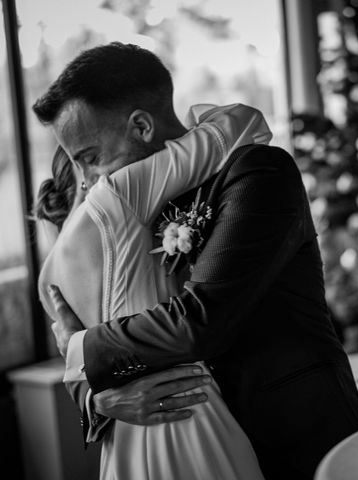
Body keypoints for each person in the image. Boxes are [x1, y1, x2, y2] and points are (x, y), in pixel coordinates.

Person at [37, 42, 358, 480]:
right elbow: (120, 320)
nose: (91, 182)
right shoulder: (131, 215)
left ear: (140, 126)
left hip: (295, 436)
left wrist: (82, 346)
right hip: (196, 451)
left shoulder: (258, 172)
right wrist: (97, 401)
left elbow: (202, 319)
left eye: (91, 159)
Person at [37, 101, 271, 479]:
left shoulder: (46, 276)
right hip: (189, 408)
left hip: (124, 439)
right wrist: (186, 126)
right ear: (86, 172)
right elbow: (242, 120)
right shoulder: (116, 197)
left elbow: (80, 366)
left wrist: (99, 401)